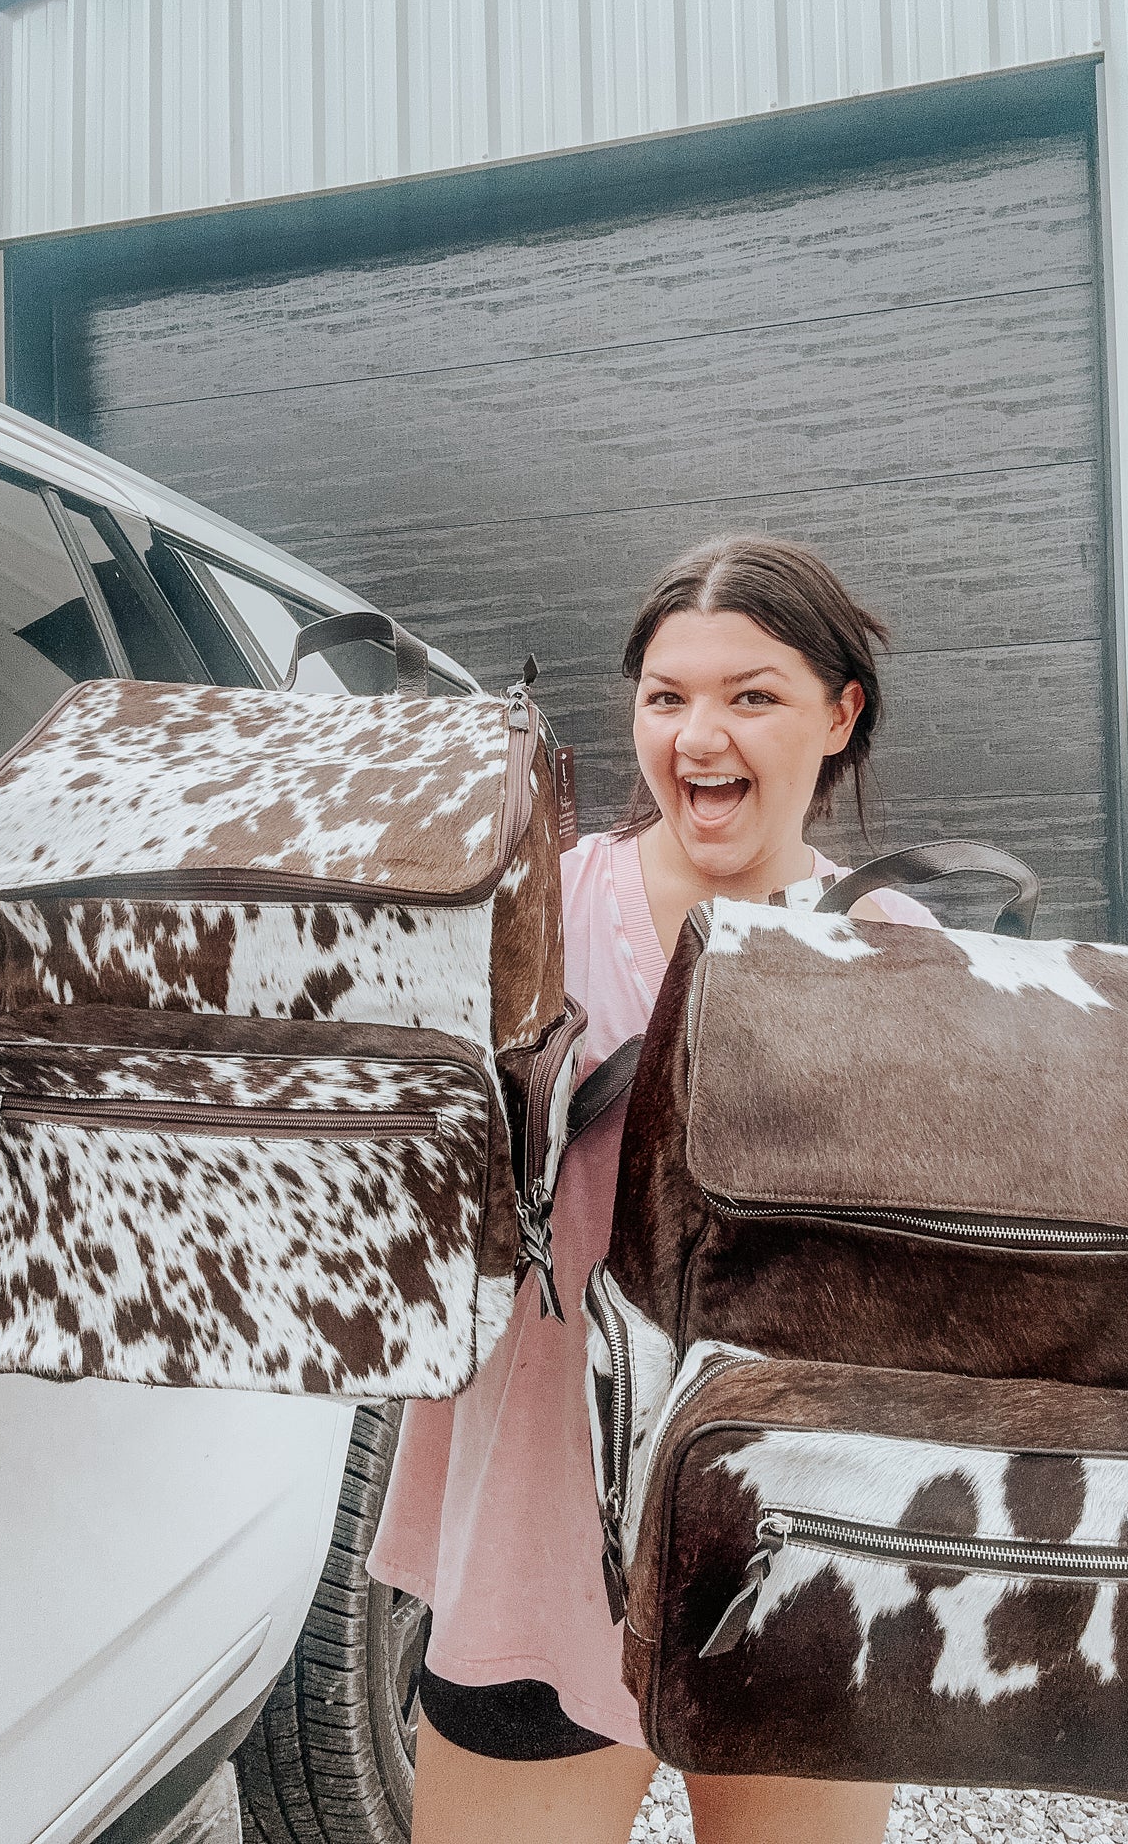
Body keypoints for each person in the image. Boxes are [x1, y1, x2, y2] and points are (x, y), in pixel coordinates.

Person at [368, 534, 938, 1843]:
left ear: (839, 713)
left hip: (804, 1540)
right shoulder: (525, 916)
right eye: (665, 697)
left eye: (751, 695)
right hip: (540, 1534)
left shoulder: (899, 954)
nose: (697, 736)